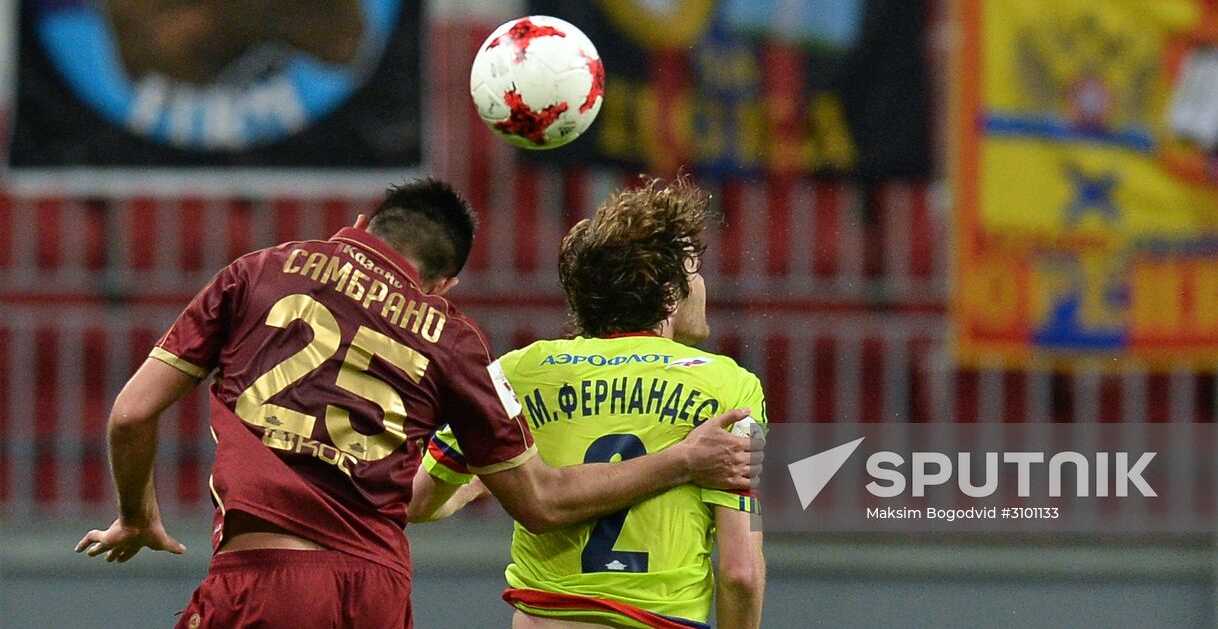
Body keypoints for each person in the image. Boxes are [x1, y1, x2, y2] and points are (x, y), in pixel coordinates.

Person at [75, 178, 758, 629]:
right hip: (375, 591)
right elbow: (546, 502)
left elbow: (132, 414)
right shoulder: (455, 338)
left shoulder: (258, 271)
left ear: (363, 222)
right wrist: (686, 460)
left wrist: (137, 514)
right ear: (448, 279)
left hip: (265, 575)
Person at [413, 177, 766, 629]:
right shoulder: (731, 388)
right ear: (669, 293)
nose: (702, 285)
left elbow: (418, 501)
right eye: (694, 270)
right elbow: (741, 573)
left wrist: (491, 479)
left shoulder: (518, 371)